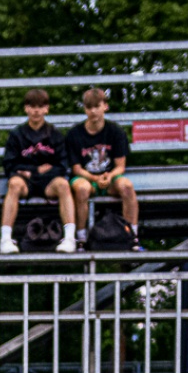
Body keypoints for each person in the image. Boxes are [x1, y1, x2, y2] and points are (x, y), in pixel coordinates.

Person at [0, 89, 81, 256]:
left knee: (63, 185)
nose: (36, 111)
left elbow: (61, 166)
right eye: (32, 106)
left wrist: (29, 171)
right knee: (13, 184)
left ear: (46, 109)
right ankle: (5, 239)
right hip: (24, 182)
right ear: (26, 108)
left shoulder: (55, 134)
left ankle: (69, 238)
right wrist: (36, 170)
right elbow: (9, 165)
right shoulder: (17, 134)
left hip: (48, 183)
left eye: (40, 106)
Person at [68, 88, 141, 253]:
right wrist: (95, 179)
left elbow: (120, 166)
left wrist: (109, 176)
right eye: (89, 107)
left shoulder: (116, 131)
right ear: (84, 109)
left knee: (127, 186)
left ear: (105, 106)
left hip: (110, 178)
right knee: (81, 189)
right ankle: (81, 239)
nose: (93, 111)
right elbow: (76, 168)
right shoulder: (74, 134)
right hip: (86, 178)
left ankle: (132, 236)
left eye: (97, 106)